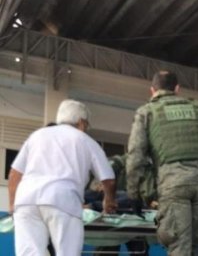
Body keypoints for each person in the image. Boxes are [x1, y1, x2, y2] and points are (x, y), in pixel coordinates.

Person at [126, 70, 198, 256]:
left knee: (179, 247)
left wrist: (133, 193)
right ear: (177, 89)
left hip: (173, 185)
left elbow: (136, 156)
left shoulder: (146, 112)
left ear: (152, 90)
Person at [8, 99, 117, 256]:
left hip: (26, 200)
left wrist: (12, 206)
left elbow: (14, 173)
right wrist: (109, 202)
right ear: (81, 122)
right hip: (62, 200)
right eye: (86, 125)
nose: (85, 129)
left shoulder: (37, 136)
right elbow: (109, 180)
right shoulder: (85, 140)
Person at [86, 154, 150, 256]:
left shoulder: (147, 168)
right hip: (110, 203)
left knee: (139, 247)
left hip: (129, 211)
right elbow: (101, 185)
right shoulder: (117, 163)